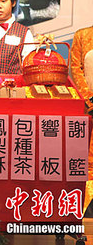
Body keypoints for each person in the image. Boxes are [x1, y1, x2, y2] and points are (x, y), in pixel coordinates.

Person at [70, 26, 93, 213]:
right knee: (89, 158)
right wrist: (89, 98)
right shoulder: (82, 35)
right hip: (90, 107)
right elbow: (75, 69)